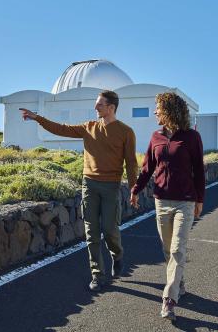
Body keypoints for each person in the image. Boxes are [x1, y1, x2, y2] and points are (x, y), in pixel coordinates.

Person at [20, 90, 137, 292]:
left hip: (111, 187)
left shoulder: (126, 132)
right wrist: (37, 118)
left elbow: (131, 163)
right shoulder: (88, 127)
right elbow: (60, 129)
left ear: (111, 108)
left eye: (99, 104)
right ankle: (97, 274)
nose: (95, 107)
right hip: (89, 185)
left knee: (110, 231)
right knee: (91, 233)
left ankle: (117, 255)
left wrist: (134, 188)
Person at [129, 92, 205, 321]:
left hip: (185, 201)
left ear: (169, 111)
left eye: (158, 108)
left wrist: (200, 199)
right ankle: (179, 283)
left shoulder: (192, 137)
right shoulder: (155, 137)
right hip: (161, 201)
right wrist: (135, 190)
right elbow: (147, 169)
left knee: (177, 249)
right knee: (167, 250)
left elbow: (199, 171)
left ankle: (169, 300)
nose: (155, 112)